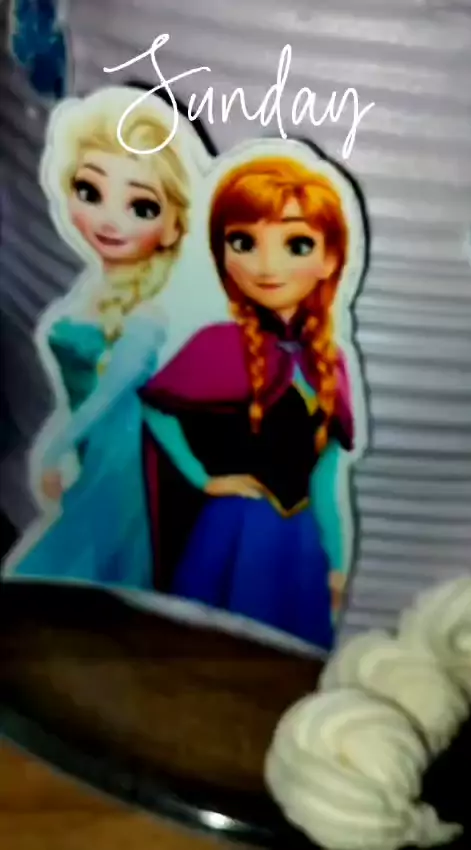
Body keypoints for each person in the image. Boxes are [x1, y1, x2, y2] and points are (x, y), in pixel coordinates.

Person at [137, 155, 358, 651]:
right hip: (232, 526)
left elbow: (324, 478)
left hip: (299, 540)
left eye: (296, 244)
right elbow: (157, 409)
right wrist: (202, 478)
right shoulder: (217, 344)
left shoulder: (330, 363)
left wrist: (337, 561)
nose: (266, 265)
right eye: (244, 242)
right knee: (208, 651)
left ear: (329, 259)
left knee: (288, 657)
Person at [37, 85, 191, 501]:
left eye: (141, 208)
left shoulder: (151, 312)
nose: (109, 221)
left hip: (125, 465)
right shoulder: (93, 289)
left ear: (173, 226)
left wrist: (53, 451)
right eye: (90, 192)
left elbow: (106, 396)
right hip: (91, 457)